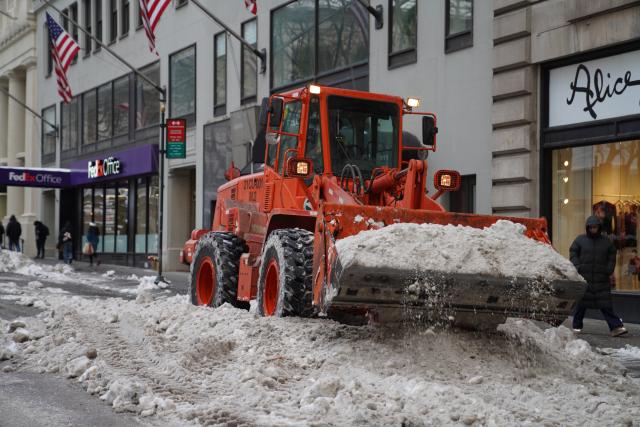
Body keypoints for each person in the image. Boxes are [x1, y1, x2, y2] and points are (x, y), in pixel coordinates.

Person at [570, 215, 628, 337]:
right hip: (584, 277)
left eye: (595, 227)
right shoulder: (580, 240)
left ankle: (616, 327)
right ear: (587, 228)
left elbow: (612, 254)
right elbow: (573, 251)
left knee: (605, 305)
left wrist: (609, 269)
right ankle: (576, 326)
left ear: (599, 227)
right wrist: (577, 266)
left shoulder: (606, 241)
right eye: (591, 227)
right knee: (581, 304)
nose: (593, 229)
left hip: (601, 279)